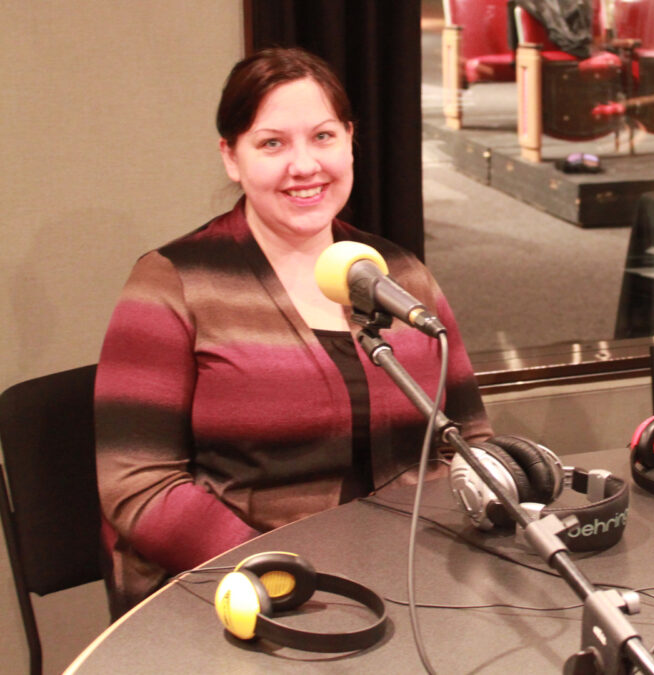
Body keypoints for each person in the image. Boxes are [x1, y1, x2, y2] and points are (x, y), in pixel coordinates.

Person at [94, 47, 493, 616]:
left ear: (351, 139)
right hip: (256, 592)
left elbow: (470, 434)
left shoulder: (400, 273)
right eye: (272, 143)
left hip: (421, 584)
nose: (304, 165)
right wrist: (275, 569)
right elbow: (138, 482)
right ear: (231, 157)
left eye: (323, 136)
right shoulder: (172, 282)